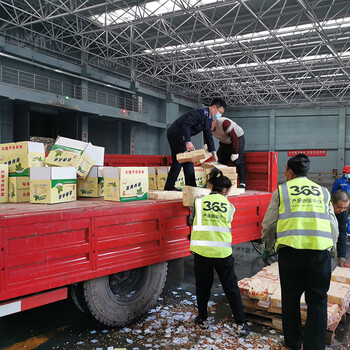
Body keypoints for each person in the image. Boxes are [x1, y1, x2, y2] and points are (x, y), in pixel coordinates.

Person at [261, 153, 337, 350]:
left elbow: (269, 224)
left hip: (291, 255)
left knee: (291, 300)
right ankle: (315, 346)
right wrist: (333, 250)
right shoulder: (322, 192)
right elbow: (333, 226)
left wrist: (267, 246)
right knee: (318, 301)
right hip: (319, 255)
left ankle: (293, 343)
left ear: (289, 171)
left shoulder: (282, 191)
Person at [188, 167, 250, 336]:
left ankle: (202, 319)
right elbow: (227, 221)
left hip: (202, 253)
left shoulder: (198, 202)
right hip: (222, 253)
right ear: (224, 190)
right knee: (231, 288)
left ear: (211, 187)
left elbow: (191, 220)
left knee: (203, 287)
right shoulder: (229, 206)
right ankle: (241, 324)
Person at [164, 98, 226, 191]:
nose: (219, 115)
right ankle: (192, 187)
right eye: (220, 112)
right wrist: (188, 141)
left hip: (180, 136)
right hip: (176, 134)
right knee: (187, 159)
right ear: (214, 107)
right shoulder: (199, 113)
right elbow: (187, 124)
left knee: (178, 161)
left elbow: (208, 135)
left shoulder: (209, 119)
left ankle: (169, 186)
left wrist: (213, 152)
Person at [209, 117, 246, 188]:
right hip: (224, 141)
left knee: (238, 160)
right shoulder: (207, 127)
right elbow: (207, 137)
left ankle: (242, 183)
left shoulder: (224, 123)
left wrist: (235, 152)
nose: (209, 128)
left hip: (237, 138)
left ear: (214, 121)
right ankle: (216, 182)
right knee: (219, 162)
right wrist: (206, 145)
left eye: (210, 125)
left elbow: (234, 137)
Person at [331, 190, 350, 267]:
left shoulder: (343, 213)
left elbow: (342, 233)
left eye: (345, 208)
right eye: (339, 207)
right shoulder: (324, 211)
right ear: (332, 202)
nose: (342, 210)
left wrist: (341, 256)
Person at [332, 165, 350, 237]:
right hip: (342, 203)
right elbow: (334, 192)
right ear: (344, 173)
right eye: (347, 173)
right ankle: (345, 231)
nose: (348, 174)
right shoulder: (339, 181)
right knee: (344, 216)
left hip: (348, 201)